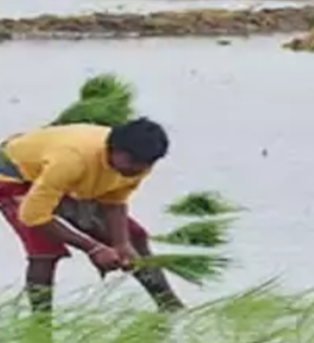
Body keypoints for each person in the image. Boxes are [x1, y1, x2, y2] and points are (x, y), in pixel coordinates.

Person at [0, 118, 182, 313]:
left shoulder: (139, 164)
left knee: (134, 237)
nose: (137, 169)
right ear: (114, 149)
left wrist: (121, 243)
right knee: (45, 250)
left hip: (52, 173)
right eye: (132, 162)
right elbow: (33, 216)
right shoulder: (72, 161)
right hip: (12, 173)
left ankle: (170, 307)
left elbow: (113, 201)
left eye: (145, 164)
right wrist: (93, 248)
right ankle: (41, 326)